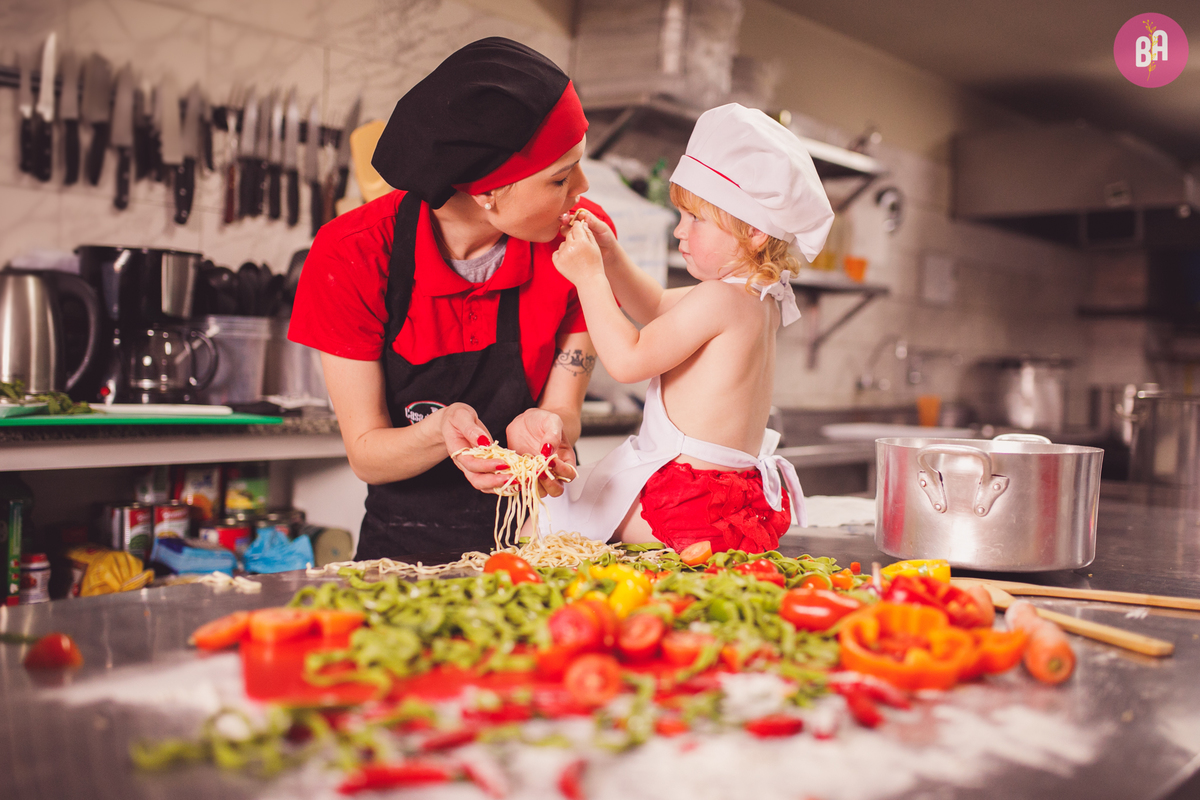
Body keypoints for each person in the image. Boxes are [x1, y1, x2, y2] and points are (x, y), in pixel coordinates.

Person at [289, 38, 615, 559]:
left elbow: (564, 405)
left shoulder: (577, 243)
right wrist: (441, 431)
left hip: (535, 549)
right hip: (400, 554)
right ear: (488, 191)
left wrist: (551, 429)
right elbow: (367, 453)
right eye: (560, 177)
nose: (583, 186)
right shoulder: (352, 253)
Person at [542, 103, 834, 554]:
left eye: (696, 218)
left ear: (754, 231)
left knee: (545, 519)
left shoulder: (720, 298)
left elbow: (627, 360)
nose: (680, 231)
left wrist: (589, 278)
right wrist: (612, 255)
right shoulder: (756, 297)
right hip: (731, 503)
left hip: (688, 504)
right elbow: (656, 307)